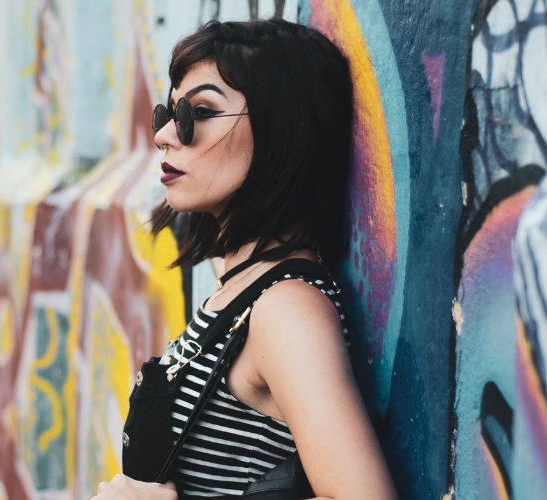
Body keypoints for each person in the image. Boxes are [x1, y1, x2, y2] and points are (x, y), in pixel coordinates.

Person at [92, 19, 397, 500]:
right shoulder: (240, 287)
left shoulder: (285, 309)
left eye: (201, 112)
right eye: (169, 114)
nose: (166, 135)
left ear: (281, 129)